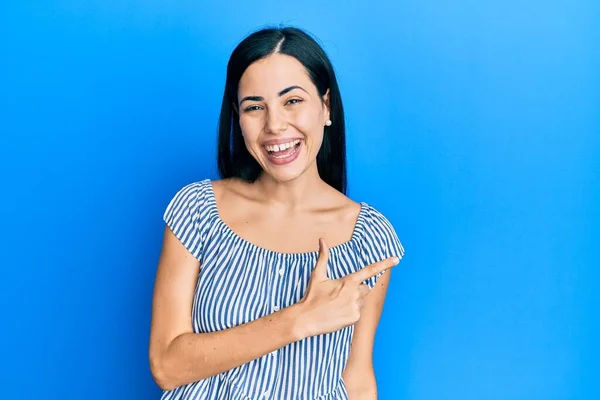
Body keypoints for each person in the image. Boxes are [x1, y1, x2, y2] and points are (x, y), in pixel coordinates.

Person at [149, 26, 405, 400]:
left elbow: (357, 377)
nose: (274, 125)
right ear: (237, 117)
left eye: (292, 101)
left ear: (326, 106)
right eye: (255, 107)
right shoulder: (197, 211)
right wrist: (299, 320)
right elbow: (166, 367)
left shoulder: (369, 238)